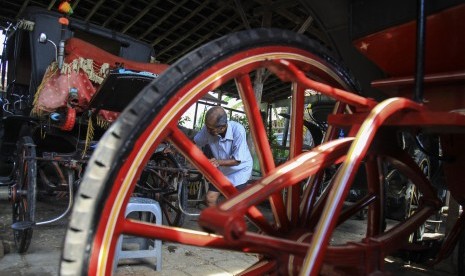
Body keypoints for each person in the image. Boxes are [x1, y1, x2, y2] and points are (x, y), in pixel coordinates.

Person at [194, 106, 253, 207]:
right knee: (210, 198)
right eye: (207, 127)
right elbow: (196, 142)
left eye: (211, 129)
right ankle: (216, 222)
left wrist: (217, 162)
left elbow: (237, 160)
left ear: (222, 127)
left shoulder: (238, 130)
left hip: (240, 171)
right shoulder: (208, 129)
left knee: (235, 202)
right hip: (221, 171)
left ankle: (234, 220)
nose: (207, 131)